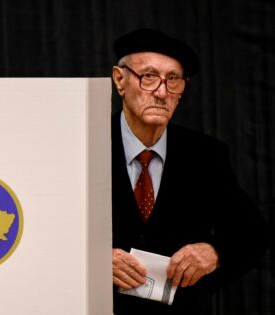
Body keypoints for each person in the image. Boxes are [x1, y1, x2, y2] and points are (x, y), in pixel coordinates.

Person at [111, 28, 271, 314]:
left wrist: (215, 252)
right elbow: (47, 230)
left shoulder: (205, 155)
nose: (161, 92)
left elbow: (251, 232)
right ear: (120, 79)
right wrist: (92, 260)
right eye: (148, 77)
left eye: (173, 80)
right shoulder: (85, 144)